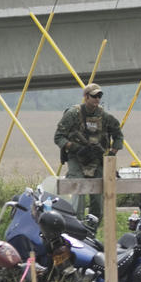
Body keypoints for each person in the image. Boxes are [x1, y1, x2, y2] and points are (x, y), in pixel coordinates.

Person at [54, 83, 124, 221]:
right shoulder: (73, 114)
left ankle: (93, 228)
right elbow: (59, 137)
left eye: (100, 96)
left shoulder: (105, 116)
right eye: (94, 96)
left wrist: (111, 154)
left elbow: (118, 135)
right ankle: (77, 224)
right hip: (76, 158)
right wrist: (75, 147)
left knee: (98, 199)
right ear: (86, 97)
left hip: (97, 159)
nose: (97, 99)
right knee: (78, 189)